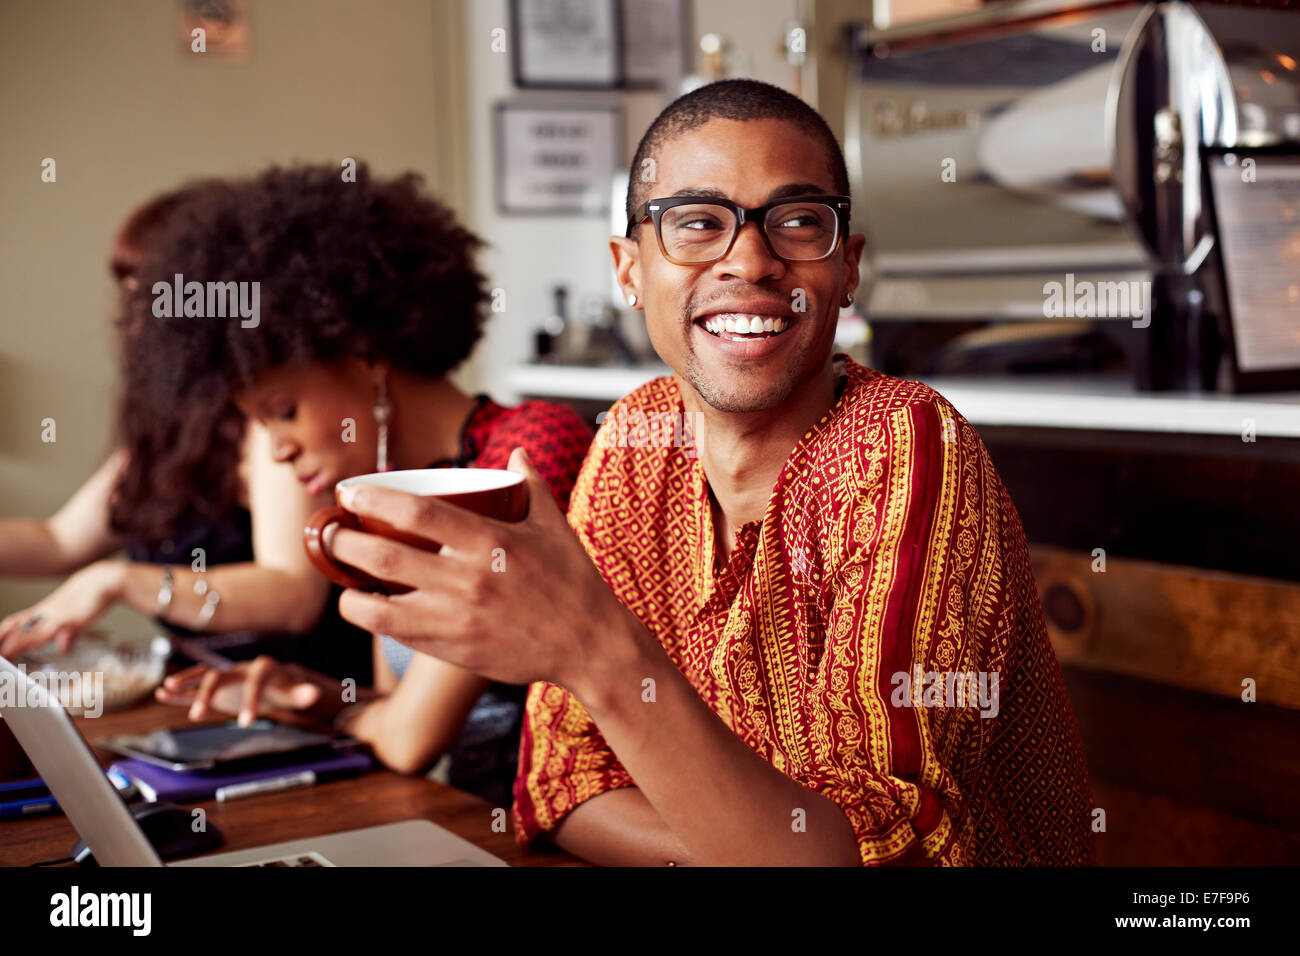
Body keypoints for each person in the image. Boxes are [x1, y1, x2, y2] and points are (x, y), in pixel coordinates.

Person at [314, 79, 1097, 865]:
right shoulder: (634, 439)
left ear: (849, 267)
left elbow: (876, 853)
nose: (751, 260)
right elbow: (561, 788)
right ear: (627, 270)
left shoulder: (905, 447)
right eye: (696, 223)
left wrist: (597, 652)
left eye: (796, 221)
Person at [145, 163, 594, 807]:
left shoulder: (525, 452)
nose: (277, 449)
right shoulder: (384, 496)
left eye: (283, 409)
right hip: (456, 816)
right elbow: (394, 707)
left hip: (544, 834)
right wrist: (310, 695)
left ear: (364, 358)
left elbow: (411, 739)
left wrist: (355, 720)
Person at [0, 183, 360, 680]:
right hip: (200, 694)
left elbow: (293, 593)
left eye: (148, 296)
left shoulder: (269, 426)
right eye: (127, 297)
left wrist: (120, 581)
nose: (133, 323)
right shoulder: (171, 425)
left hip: (294, 703)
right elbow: (58, 540)